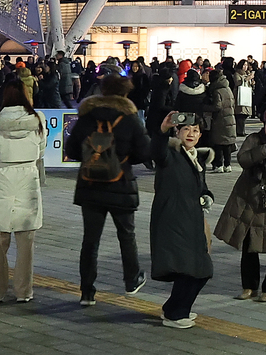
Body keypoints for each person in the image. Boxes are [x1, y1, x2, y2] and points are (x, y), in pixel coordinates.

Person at [68, 74, 151, 304]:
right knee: (126, 234)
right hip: (121, 184)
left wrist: (93, 157)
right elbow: (145, 152)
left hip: (90, 185)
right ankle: (131, 279)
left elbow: (72, 150)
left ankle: (87, 292)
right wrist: (121, 159)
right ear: (125, 93)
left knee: (90, 240)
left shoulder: (86, 116)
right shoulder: (130, 118)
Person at [214, 101, 266, 302]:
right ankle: (249, 286)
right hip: (250, 199)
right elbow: (243, 160)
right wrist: (264, 149)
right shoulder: (253, 139)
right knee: (248, 244)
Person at [0, 81, 46, 303]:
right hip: (27, 177)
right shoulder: (37, 120)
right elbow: (41, 150)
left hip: (2, 176)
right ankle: (24, 291)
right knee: (26, 241)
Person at [149, 110, 215, 328]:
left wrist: (206, 196)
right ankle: (176, 313)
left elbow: (201, 187)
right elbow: (157, 149)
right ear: (177, 132)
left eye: (195, 130)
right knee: (188, 268)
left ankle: (175, 308)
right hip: (172, 219)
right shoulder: (169, 155)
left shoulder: (197, 159)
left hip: (192, 220)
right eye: (186, 128)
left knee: (202, 269)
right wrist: (163, 128)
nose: (191, 133)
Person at [205, 69, 236, 173]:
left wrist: (207, 108)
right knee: (227, 143)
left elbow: (218, 106)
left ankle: (219, 165)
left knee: (218, 143)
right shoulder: (227, 88)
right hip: (230, 118)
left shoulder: (217, 90)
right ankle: (228, 164)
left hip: (220, 119)